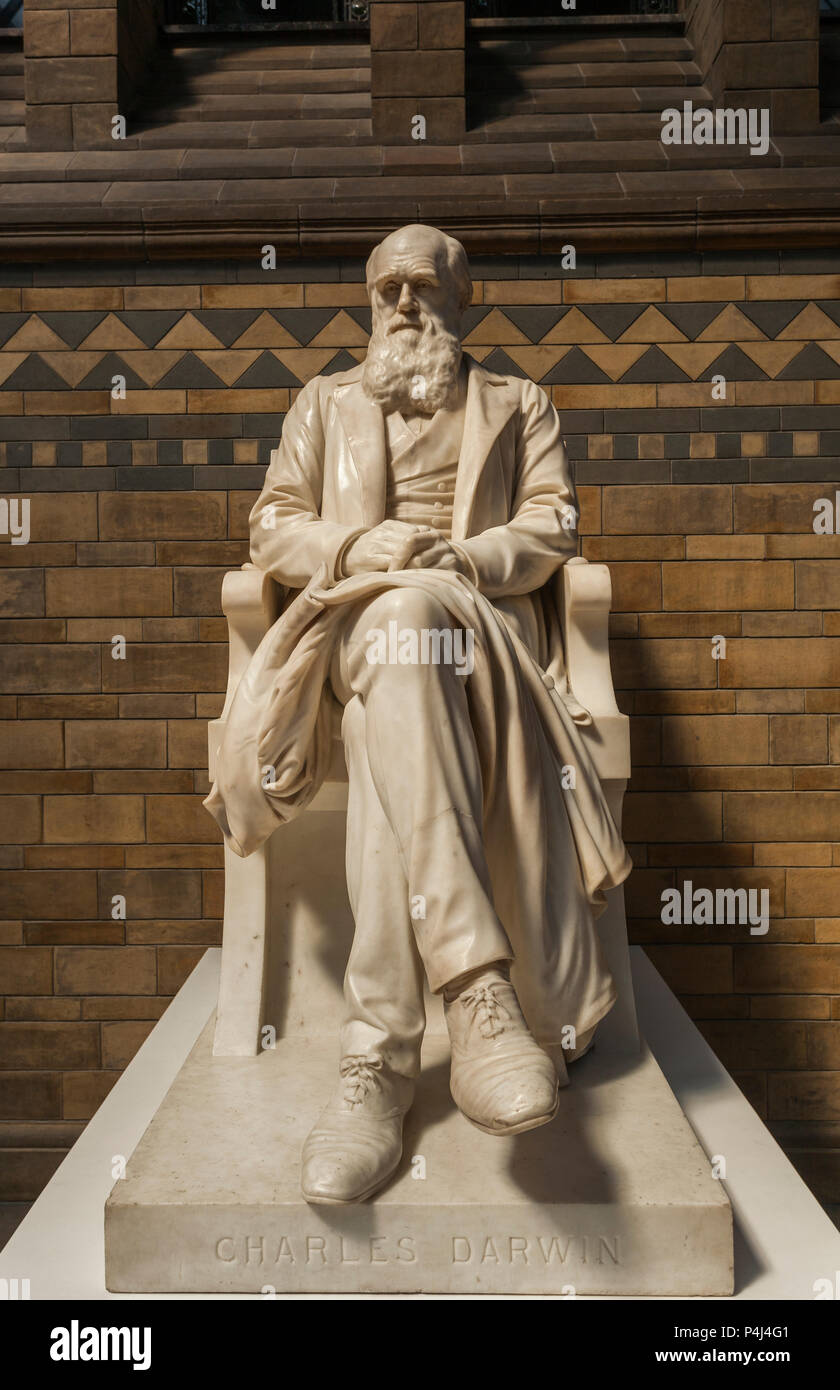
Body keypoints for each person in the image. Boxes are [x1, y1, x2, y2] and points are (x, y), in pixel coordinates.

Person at [205, 224, 632, 1205]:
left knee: (392, 689)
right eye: (388, 288)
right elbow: (273, 523)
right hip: (356, 625)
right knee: (396, 622)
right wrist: (359, 550)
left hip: (478, 641)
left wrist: (472, 561)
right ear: (368, 303)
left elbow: (554, 522)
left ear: (460, 299)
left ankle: (379, 1070)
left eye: (424, 287)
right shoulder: (324, 406)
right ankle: (479, 998)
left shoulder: (516, 404)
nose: (404, 303)